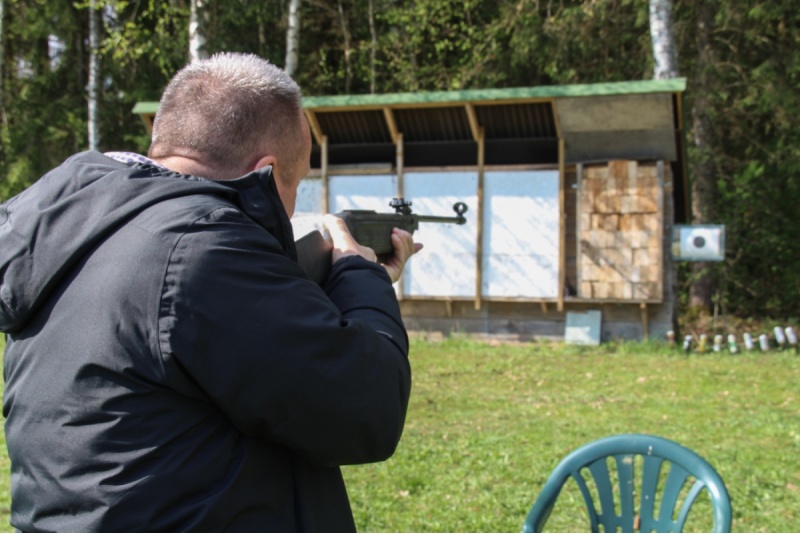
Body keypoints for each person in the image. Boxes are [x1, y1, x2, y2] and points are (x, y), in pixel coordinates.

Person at [0, 52, 420, 532]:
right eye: (296, 181)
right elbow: (366, 409)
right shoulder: (204, 250)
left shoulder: (77, 229)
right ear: (265, 170)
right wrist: (359, 274)